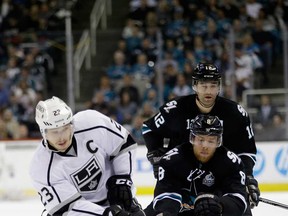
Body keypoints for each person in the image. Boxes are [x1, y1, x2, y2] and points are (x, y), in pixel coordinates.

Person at [142, 62, 259, 216]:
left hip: (220, 181)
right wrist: (156, 156)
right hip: (180, 181)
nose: (208, 91)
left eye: (212, 85)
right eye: (203, 85)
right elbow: (149, 128)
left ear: (219, 87)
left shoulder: (235, 114)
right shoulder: (175, 108)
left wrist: (247, 176)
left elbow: (246, 151)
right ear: (194, 86)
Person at [29, 96, 145, 216]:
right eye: (54, 132)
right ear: (44, 132)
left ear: (71, 124)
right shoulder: (41, 167)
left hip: (114, 199)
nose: (61, 137)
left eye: (65, 129)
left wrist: (123, 179)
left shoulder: (91, 122)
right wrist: (106, 213)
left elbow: (124, 144)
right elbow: (68, 208)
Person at [153, 114, 248, 216]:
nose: (205, 146)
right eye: (201, 140)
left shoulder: (232, 162)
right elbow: (165, 195)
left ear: (218, 141)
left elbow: (238, 198)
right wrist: (168, 212)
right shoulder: (172, 160)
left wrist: (221, 205)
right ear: (192, 138)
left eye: (211, 141)